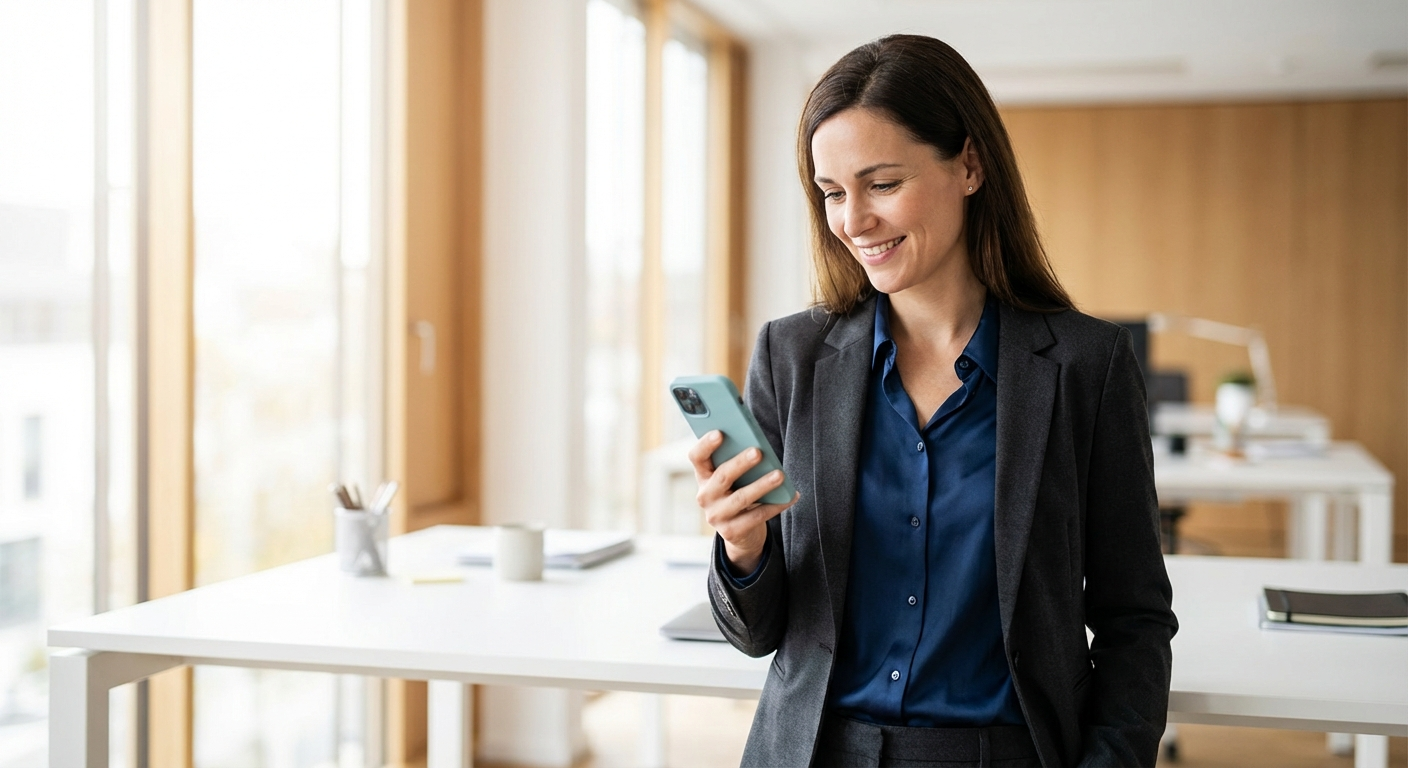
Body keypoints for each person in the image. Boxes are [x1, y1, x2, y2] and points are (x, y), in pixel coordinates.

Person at [689, 35, 1177, 768]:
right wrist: (743, 549)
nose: (853, 220)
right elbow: (761, 635)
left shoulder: (1085, 365)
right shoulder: (790, 358)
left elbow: (1134, 617)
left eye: (881, 183)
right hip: (818, 750)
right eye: (831, 193)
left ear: (971, 166)